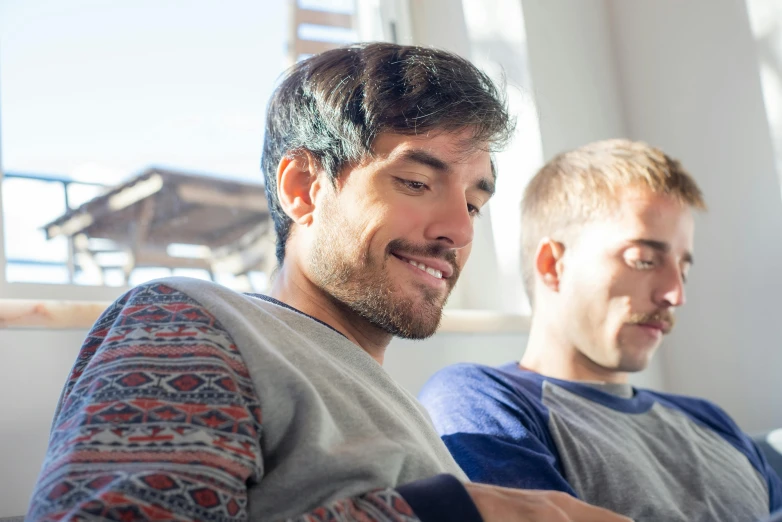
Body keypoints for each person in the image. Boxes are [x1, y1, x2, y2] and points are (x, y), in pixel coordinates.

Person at [25, 44, 631, 522]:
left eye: (473, 204)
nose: (457, 230)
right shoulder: (190, 320)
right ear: (301, 187)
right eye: (416, 183)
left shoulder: (406, 416)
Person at [419, 139, 782, 522]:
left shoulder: (708, 419)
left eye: (684, 270)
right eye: (643, 261)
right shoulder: (480, 398)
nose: (675, 294)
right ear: (552, 265)